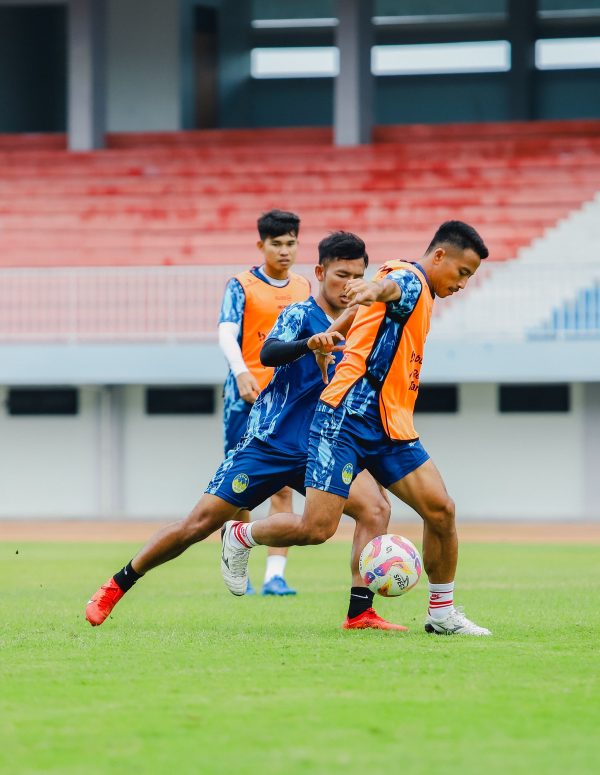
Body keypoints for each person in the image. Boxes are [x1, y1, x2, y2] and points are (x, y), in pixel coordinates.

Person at [86, 231, 405, 631]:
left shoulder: (363, 321)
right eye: (341, 275)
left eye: (357, 276)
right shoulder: (299, 313)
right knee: (196, 526)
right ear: (321, 272)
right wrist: (311, 344)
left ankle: (360, 613)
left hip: (322, 446)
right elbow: (269, 354)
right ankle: (116, 585)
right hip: (269, 442)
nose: (349, 285)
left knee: (375, 509)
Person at [220, 220, 493, 636]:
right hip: (343, 420)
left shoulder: (398, 275)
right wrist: (371, 291)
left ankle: (440, 615)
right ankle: (242, 534)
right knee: (317, 528)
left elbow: (369, 302)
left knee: (441, 510)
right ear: (439, 256)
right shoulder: (409, 280)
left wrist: (333, 331)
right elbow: (391, 289)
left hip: (389, 423)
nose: (463, 284)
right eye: (462, 273)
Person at [218, 209, 309, 595]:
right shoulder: (241, 285)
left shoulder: (305, 287)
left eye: (291, 243)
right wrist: (241, 371)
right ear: (261, 245)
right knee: (241, 488)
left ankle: (276, 575)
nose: (285, 251)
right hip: (246, 398)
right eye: (277, 244)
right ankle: (238, 556)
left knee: (284, 486)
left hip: (289, 401)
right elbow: (226, 331)